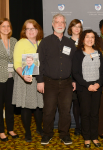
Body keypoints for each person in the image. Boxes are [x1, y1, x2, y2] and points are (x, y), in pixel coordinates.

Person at [37, 14, 76, 145]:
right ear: (52, 24)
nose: (60, 24)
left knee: (65, 111)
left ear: (65, 25)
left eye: (62, 22)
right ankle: (47, 133)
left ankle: (64, 134)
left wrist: (74, 80)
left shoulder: (70, 43)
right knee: (48, 111)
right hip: (49, 83)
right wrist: (40, 80)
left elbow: (74, 64)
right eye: (57, 22)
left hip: (66, 84)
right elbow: (39, 62)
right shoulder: (45, 42)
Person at [72, 29, 103, 148]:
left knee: (95, 114)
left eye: (92, 37)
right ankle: (86, 138)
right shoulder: (78, 54)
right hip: (84, 88)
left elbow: (102, 71)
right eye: (87, 37)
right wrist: (87, 85)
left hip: (96, 87)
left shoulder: (98, 52)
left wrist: (98, 84)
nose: (90, 39)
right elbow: (75, 73)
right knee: (85, 114)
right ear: (83, 39)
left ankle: (94, 137)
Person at [12, 19, 44, 142]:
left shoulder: (41, 42)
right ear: (24, 31)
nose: (31, 31)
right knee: (26, 106)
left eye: (33, 28)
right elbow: (17, 63)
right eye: (28, 29)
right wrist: (23, 75)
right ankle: (27, 132)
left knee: (38, 105)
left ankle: (39, 128)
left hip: (39, 78)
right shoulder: (21, 43)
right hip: (25, 78)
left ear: (38, 30)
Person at [0, 18, 19, 141]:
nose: (6, 28)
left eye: (8, 26)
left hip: (12, 78)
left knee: (10, 106)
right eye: (3, 26)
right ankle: (1, 131)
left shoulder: (14, 41)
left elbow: (17, 59)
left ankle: (10, 129)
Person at [67, 19, 83, 135]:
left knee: (81, 103)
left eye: (79, 26)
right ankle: (77, 127)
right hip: (69, 78)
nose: (77, 28)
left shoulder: (84, 42)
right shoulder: (66, 42)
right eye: (74, 26)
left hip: (83, 78)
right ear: (70, 28)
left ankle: (83, 126)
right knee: (73, 103)